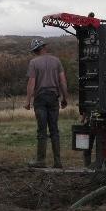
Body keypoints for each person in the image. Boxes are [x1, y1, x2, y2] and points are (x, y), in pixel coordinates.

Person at [24, 38, 68, 168]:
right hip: (54, 97)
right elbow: (63, 81)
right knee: (54, 130)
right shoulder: (56, 61)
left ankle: (41, 161)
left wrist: (28, 101)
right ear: (44, 47)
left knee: (42, 131)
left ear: (35, 50)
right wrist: (65, 98)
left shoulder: (33, 63)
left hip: (40, 98)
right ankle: (58, 162)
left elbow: (31, 83)